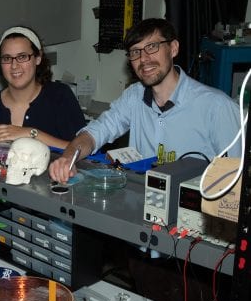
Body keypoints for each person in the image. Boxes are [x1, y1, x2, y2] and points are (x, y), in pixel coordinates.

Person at [49, 18, 241, 184]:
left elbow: (236, 181)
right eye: (135, 52)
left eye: (152, 47)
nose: (144, 59)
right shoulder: (134, 97)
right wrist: (68, 158)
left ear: (173, 48)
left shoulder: (217, 107)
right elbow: (94, 133)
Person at [0, 26, 86, 154]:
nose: (14, 65)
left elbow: (81, 150)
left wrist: (31, 134)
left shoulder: (60, 97)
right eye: (7, 58)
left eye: (22, 56)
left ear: (38, 58)